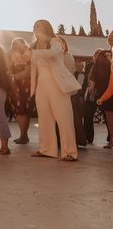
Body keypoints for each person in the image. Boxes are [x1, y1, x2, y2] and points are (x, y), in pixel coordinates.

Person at [29, 20, 80, 161]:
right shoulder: (33, 46)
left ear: (46, 28)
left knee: (64, 118)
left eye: (38, 26)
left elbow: (53, 53)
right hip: (41, 85)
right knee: (44, 117)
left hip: (56, 83)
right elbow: (31, 64)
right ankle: (46, 149)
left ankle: (70, 152)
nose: (35, 29)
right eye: (34, 26)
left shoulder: (55, 41)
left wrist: (32, 53)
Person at [56, 36, 87, 147]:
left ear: (64, 45)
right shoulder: (57, 56)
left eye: (60, 43)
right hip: (58, 90)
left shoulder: (67, 56)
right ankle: (59, 140)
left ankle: (78, 140)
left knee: (73, 116)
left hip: (68, 91)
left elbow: (68, 73)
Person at [7, 38, 35, 145]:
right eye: (13, 44)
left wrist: (14, 77)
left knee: (23, 111)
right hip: (15, 86)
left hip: (25, 85)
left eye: (17, 44)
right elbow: (8, 69)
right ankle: (24, 135)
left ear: (24, 44)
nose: (14, 46)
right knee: (20, 111)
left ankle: (23, 136)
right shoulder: (11, 56)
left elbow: (28, 72)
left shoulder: (29, 54)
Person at [91, 48, 112, 147]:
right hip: (106, 90)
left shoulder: (106, 55)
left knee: (109, 116)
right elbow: (95, 73)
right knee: (108, 116)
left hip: (108, 90)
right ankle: (111, 139)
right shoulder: (103, 55)